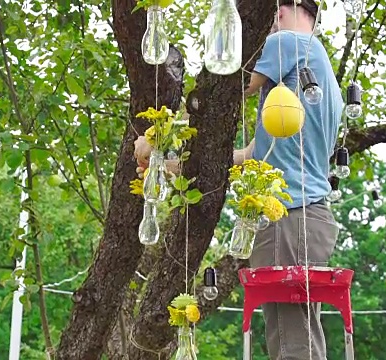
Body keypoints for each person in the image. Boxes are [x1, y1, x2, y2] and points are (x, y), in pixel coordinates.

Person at [134, 1, 342, 359]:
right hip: (307, 218)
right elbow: (251, 157)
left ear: (276, 12)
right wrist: (166, 166)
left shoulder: (288, 42)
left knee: (292, 341)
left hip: (290, 216)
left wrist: (154, 136)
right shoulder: (321, 74)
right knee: (293, 334)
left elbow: (221, 91)